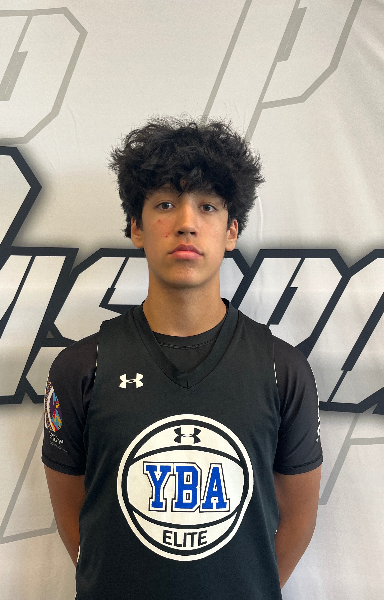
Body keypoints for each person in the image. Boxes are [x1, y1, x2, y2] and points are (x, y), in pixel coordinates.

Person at [43, 117, 322, 600]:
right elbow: (75, 518)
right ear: (136, 227)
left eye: (207, 206)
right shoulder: (81, 368)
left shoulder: (283, 370)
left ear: (231, 230)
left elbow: (298, 517)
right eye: (165, 204)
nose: (187, 223)